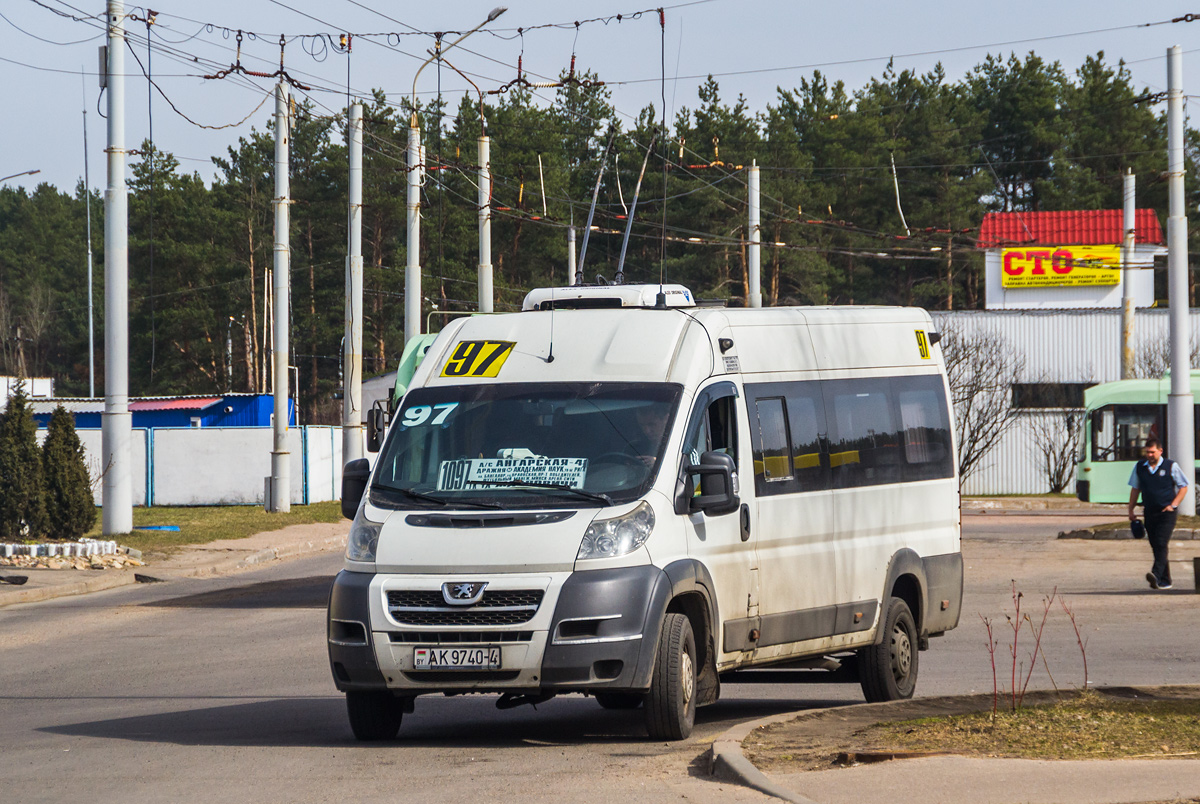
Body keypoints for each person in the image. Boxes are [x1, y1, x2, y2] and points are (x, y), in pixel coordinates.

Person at [1127, 438, 1189, 590]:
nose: (1149, 455)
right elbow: (1135, 488)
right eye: (1147, 452)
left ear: (1160, 451)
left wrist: (1173, 505)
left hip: (1166, 513)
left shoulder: (1170, 466)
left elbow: (1184, 486)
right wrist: (1131, 509)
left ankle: (1155, 574)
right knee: (1156, 546)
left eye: (1152, 452)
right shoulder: (1140, 467)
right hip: (1149, 512)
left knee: (1161, 542)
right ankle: (1165, 580)